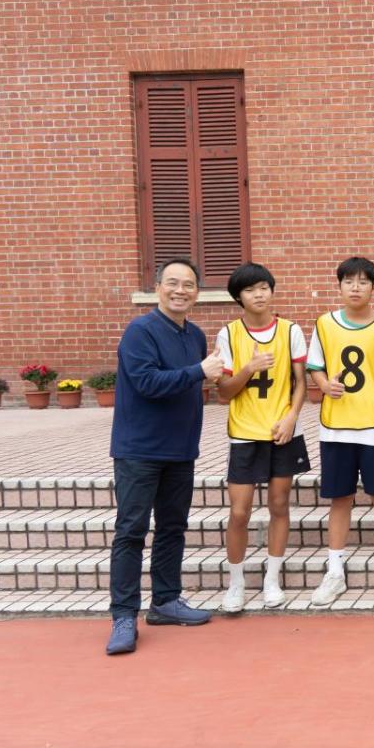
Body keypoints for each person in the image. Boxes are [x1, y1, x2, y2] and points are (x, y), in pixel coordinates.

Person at [106, 258, 223, 655]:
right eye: (172, 283)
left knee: (173, 527)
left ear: (197, 292)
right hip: (139, 450)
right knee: (131, 531)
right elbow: (147, 383)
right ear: (157, 288)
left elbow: (191, 383)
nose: (180, 290)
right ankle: (124, 616)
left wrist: (203, 373)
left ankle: (166, 601)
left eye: (188, 284)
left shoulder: (195, 335)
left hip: (180, 450)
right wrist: (199, 371)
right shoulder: (140, 331)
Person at [306, 257, 374, 608]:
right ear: (339, 285)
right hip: (336, 429)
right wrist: (324, 385)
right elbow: (315, 367)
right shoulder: (324, 324)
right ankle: (335, 572)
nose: (355, 287)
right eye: (349, 281)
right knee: (340, 498)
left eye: (363, 281)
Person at [214, 263, 310, 613]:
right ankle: (236, 583)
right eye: (250, 289)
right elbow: (223, 392)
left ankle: (272, 579)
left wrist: (291, 417)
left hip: (282, 431)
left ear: (272, 290)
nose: (259, 294)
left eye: (264, 287)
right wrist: (248, 369)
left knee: (279, 506)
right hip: (245, 433)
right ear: (238, 297)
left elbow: (301, 382)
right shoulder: (228, 334)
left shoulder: (290, 330)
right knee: (239, 512)